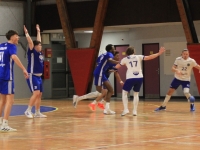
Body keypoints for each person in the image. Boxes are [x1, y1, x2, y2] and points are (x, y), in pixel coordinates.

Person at [115, 46, 165, 116]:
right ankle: (135, 111)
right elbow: (149, 57)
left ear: (127, 52)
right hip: (139, 77)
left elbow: (117, 67)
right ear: (134, 52)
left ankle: (126, 109)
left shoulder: (125, 59)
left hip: (130, 78)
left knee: (124, 93)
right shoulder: (139, 56)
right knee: (136, 94)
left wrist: (109, 67)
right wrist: (158, 53)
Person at [73, 44, 119, 114]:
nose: (114, 50)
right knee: (101, 92)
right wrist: (119, 63)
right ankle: (80, 99)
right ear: (110, 50)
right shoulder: (110, 54)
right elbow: (109, 60)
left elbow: (98, 63)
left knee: (107, 91)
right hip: (100, 73)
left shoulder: (102, 55)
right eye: (113, 48)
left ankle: (104, 107)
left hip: (99, 73)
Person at [0, 30, 29, 132]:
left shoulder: (1, 45)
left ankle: (0, 122)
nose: (18, 38)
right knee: (10, 101)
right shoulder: (12, 46)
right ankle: (5, 124)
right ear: (12, 37)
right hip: (7, 76)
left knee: (2, 100)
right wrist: (24, 69)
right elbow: (14, 57)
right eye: (17, 36)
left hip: (0, 75)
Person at [24, 25, 46, 118]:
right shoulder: (32, 51)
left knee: (39, 94)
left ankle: (37, 112)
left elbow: (38, 40)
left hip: (39, 76)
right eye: (40, 45)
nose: (41, 45)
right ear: (36, 46)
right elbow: (30, 42)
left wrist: (38, 31)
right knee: (36, 93)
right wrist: (26, 33)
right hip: (32, 75)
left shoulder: (40, 52)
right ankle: (28, 110)